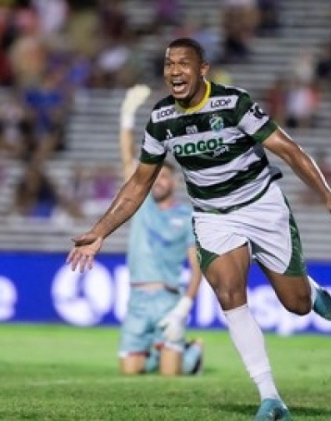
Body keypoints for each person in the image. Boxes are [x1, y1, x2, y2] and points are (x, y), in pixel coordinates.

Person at [67, 38, 331, 420]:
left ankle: (309, 287)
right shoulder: (160, 119)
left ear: (202, 69)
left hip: (261, 204)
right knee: (228, 292)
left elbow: (288, 149)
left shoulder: (233, 103)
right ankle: (269, 396)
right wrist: (101, 230)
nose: (174, 70)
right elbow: (139, 183)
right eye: (169, 63)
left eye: (183, 63)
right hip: (213, 215)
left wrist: (329, 198)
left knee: (297, 305)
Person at [117, 84, 204, 376]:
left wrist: (184, 307)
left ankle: (192, 352)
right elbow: (128, 161)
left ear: (174, 182)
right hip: (138, 299)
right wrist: (127, 117)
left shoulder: (187, 215)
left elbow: (197, 266)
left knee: (171, 376)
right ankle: (159, 350)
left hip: (169, 299)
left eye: (165, 177)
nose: (158, 181)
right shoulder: (141, 204)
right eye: (155, 177)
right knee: (130, 370)